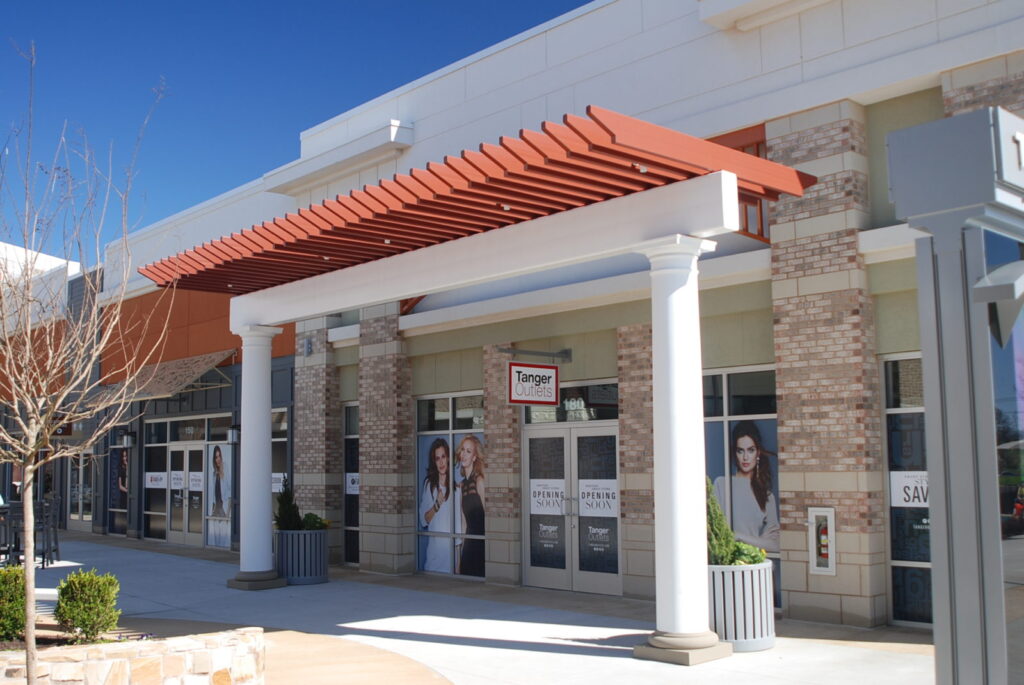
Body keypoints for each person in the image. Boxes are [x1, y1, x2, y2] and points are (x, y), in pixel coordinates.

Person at [713, 421, 779, 552]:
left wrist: (739, 536)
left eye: (751, 450)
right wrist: (758, 541)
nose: (745, 457)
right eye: (740, 451)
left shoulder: (766, 496)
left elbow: (775, 545)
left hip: (754, 562)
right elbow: (713, 529)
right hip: (726, 559)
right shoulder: (721, 484)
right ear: (735, 453)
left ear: (758, 453)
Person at [419, 438, 453, 573]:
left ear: (448, 458)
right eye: (437, 458)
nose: (441, 462)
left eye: (443, 457)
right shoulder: (429, 485)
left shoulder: (454, 487)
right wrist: (436, 505)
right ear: (434, 462)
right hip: (434, 557)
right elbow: (424, 520)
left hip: (450, 559)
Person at [455, 435, 486, 576]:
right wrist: (459, 560)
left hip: (482, 545)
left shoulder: (479, 481)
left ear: (474, 457)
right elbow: (464, 524)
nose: (464, 454)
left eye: (468, 451)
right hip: (468, 546)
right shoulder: (462, 485)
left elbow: (489, 518)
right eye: (463, 450)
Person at [210, 446, 227, 517]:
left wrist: (228, 510)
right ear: (214, 460)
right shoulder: (214, 474)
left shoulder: (225, 470)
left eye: (219, 456)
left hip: (223, 508)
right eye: (216, 457)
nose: (218, 459)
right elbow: (213, 494)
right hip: (216, 509)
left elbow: (229, 491)